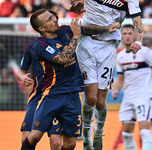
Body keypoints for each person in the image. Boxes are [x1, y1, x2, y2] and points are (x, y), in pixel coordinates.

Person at [20, 9, 120, 150]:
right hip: (52, 95)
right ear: (42, 28)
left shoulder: (66, 30)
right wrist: (76, 37)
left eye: (53, 16)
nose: (55, 19)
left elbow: (86, 29)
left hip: (73, 94)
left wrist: (105, 28)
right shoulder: (40, 45)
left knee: (70, 144)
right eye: (49, 19)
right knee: (35, 135)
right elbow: (63, 58)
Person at [61, 0, 144, 150]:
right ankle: (87, 137)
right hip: (87, 43)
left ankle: (98, 132)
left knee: (100, 102)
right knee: (91, 97)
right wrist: (70, 7)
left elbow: (137, 19)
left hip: (109, 46)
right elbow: (64, 2)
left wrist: (139, 40)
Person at [112, 24, 152, 150]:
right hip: (128, 98)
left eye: (130, 33)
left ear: (135, 35)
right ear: (121, 36)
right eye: (124, 33)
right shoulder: (120, 56)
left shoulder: (145, 51)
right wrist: (116, 90)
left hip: (144, 96)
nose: (127, 36)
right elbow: (121, 78)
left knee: (144, 132)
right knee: (126, 134)